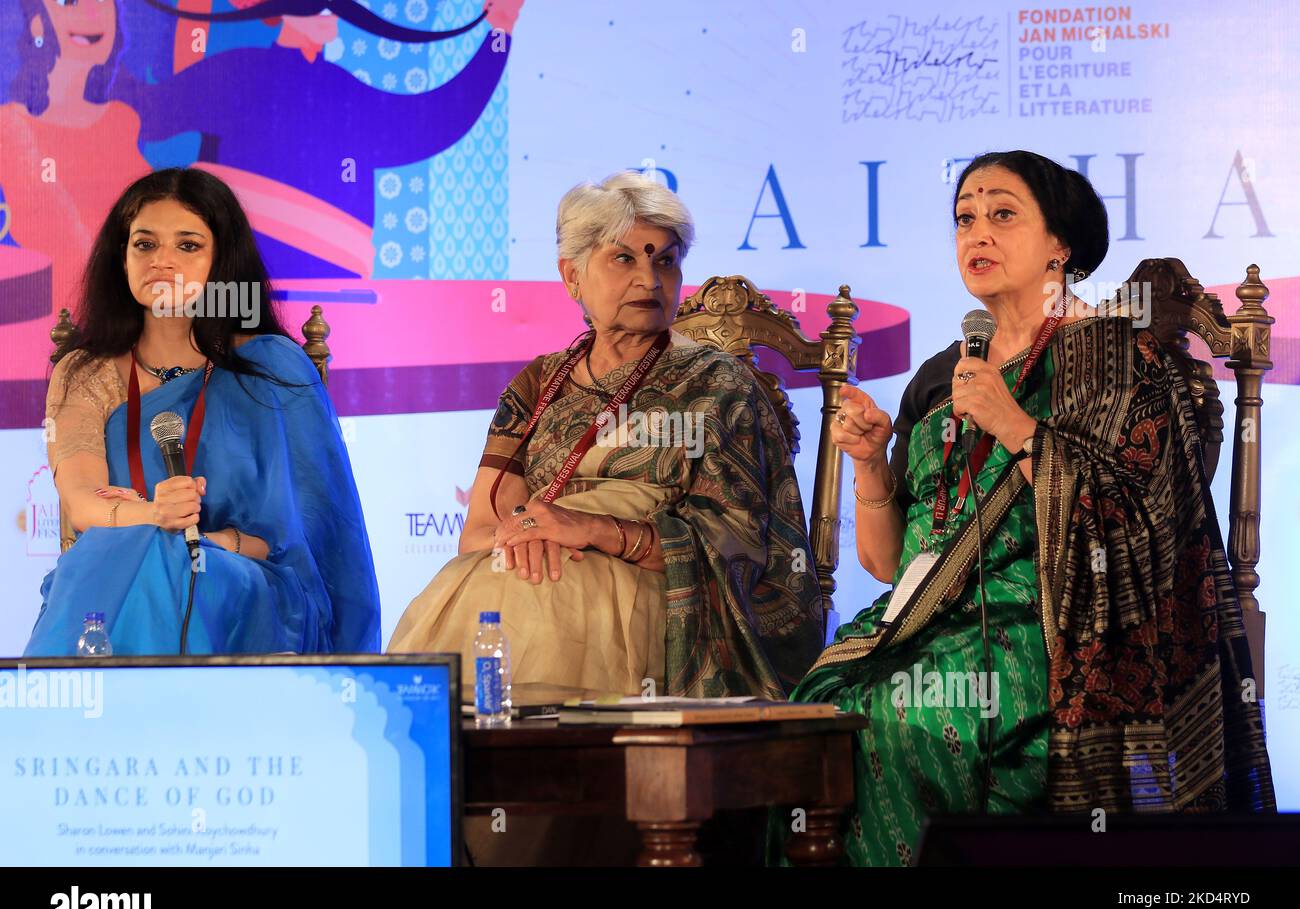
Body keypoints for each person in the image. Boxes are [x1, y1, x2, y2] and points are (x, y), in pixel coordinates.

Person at [775, 150, 1274, 867]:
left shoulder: (1124, 358)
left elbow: (1149, 533)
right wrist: (869, 463)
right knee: (813, 709)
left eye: (1003, 214)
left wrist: (1017, 428)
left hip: (1063, 630)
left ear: (1060, 246)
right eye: (965, 219)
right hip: (922, 627)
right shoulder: (941, 376)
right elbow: (890, 564)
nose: (978, 233)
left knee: (901, 715)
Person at [389, 171, 824, 703]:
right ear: (572, 277)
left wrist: (595, 531)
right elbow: (479, 531)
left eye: (665, 260)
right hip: (526, 575)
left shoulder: (716, 383)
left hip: (663, 599)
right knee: (478, 593)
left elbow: (740, 544)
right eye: (625, 258)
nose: (649, 279)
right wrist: (534, 535)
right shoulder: (537, 385)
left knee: (543, 603)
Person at [27, 167, 380, 656]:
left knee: (160, 559)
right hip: (122, 558)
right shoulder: (85, 373)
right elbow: (84, 504)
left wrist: (197, 541)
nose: (162, 262)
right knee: (134, 551)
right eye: (145, 244)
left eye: (188, 246)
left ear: (221, 264)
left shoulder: (271, 369)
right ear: (121, 259)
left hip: (247, 578)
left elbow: (298, 539)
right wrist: (157, 515)